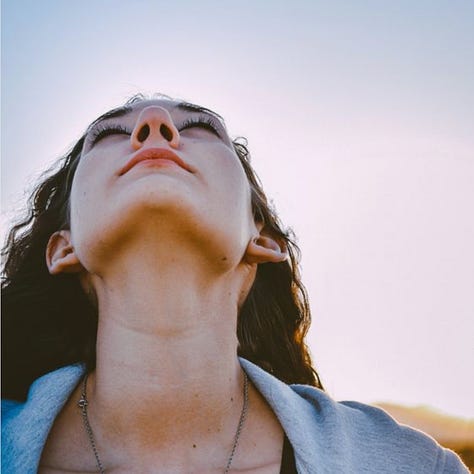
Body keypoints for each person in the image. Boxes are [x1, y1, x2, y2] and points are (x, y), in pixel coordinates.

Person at [1, 94, 468, 473]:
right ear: (63, 248)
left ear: (261, 238)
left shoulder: (415, 466)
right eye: (108, 135)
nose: (155, 124)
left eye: (200, 129)